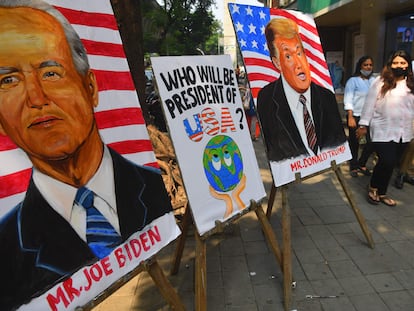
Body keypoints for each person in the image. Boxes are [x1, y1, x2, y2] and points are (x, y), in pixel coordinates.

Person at [0, 1, 173, 309]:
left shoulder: (149, 187)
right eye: (8, 80)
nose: (36, 98)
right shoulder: (8, 252)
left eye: (51, 72)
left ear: (90, 86)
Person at [257, 18, 346, 162]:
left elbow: (336, 142)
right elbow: (276, 151)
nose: (299, 64)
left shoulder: (326, 97)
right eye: (288, 56)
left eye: (299, 53)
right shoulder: (266, 98)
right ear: (277, 62)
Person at [357, 50, 414, 206]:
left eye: (403, 63)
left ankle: (382, 192)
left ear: (408, 65)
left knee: (392, 163)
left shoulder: (411, 83)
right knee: (386, 160)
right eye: (395, 63)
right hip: (382, 128)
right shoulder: (381, 81)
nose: (399, 66)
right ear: (390, 64)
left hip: (404, 131)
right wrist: (363, 124)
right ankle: (373, 187)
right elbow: (369, 104)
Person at [343, 56, 375, 177]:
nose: (368, 67)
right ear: (360, 66)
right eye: (365, 65)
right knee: (355, 142)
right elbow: (348, 99)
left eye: (370, 65)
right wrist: (350, 117)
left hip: (371, 117)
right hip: (356, 116)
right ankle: (353, 165)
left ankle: (362, 163)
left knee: (371, 142)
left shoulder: (374, 81)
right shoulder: (353, 81)